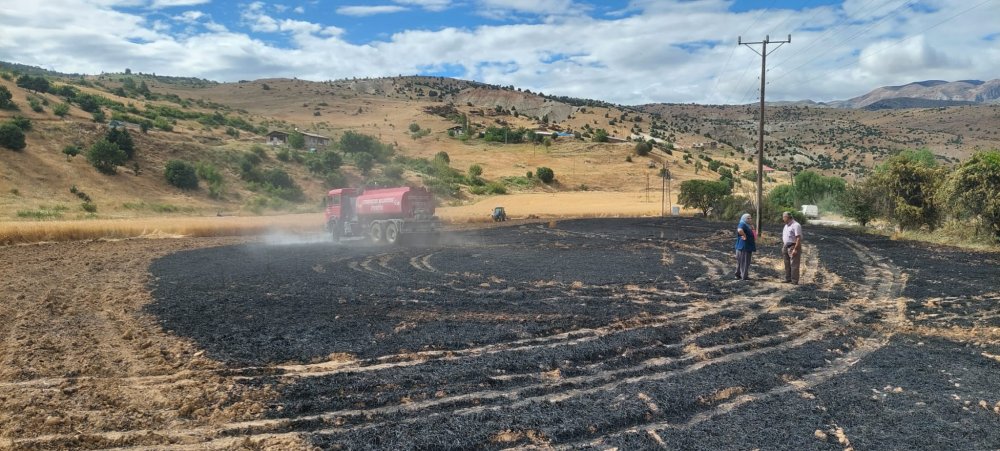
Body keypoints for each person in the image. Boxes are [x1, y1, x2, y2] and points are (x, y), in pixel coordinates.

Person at [781, 211, 803, 284]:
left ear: (787, 217)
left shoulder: (796, 225)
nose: (783, 218)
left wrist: (795, 249)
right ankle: (788, 278)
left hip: (793, 246)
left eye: (784, 217)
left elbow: (798, 238)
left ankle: (794, 280)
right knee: (786, 263)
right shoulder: (786, 225)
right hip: (786, 246)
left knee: (794, 264)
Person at [734, 213, 756, 280]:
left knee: (741, 262)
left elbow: (755, 237)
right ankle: (744, 276)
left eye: (750, 218)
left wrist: (753, 229)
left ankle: (738, 275)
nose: (750, 219)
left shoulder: (749, 226)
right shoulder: (742, 224)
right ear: (744, 219)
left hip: (746, 247)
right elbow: (739, 230)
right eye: (748, 218)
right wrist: (744, 235)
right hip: (744, 247)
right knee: (745, 262)